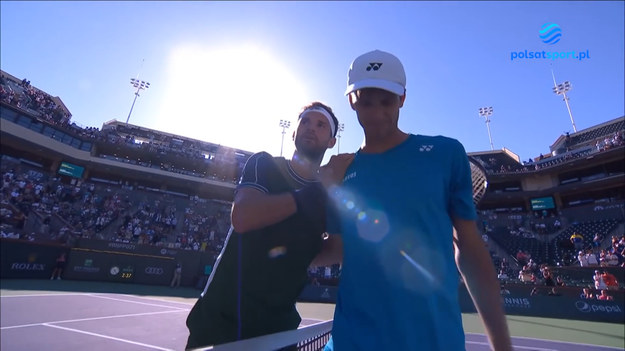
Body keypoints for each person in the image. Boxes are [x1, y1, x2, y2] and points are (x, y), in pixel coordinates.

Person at [321, 50, 512, 351]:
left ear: (403, 99)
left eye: (385, 100)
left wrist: (502, 346)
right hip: (351, 341)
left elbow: (469, 248)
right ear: (351, 100)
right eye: (365, 101)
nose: (375, 112)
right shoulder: (340, 170)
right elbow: (331, 250)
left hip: (435, 341)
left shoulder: (445, 154)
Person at [185, 102, 340, 350]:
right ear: (293, 132)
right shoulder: (264, 164)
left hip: (278, 328)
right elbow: (244, 216)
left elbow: (334, 250)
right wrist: (317, 193)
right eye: (305, 122)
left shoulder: (329, 194)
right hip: (221, 322)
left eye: (321, 125)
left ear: (332, 141)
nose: (311, 128)